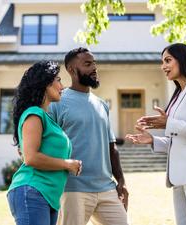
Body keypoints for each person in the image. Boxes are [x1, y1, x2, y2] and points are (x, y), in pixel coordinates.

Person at [126, 43, 186, 225]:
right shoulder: (179, 94)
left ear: (184, 59)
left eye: (168, 60)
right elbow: (180, 139)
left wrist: (169, 123)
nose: (163, 66)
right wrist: (153, 140)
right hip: (180, 178)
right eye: (162, 61)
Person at [49, 47, 128, 225]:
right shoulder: (57, 103)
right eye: (87, 64)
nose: (94, 68)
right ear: (71, 70)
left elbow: (111, 147)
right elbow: (47, 145)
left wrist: (121, 181)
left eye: (94, 63)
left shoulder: (102, 105)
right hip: (73, 188)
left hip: (106, 187)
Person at [7, 61, 82, 225]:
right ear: (46, 83)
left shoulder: (46, 117)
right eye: (59, 80)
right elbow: (31, 158)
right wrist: (67, 164)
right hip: (33, 190)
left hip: (47, 196)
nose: (62, 86)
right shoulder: (34, 114)